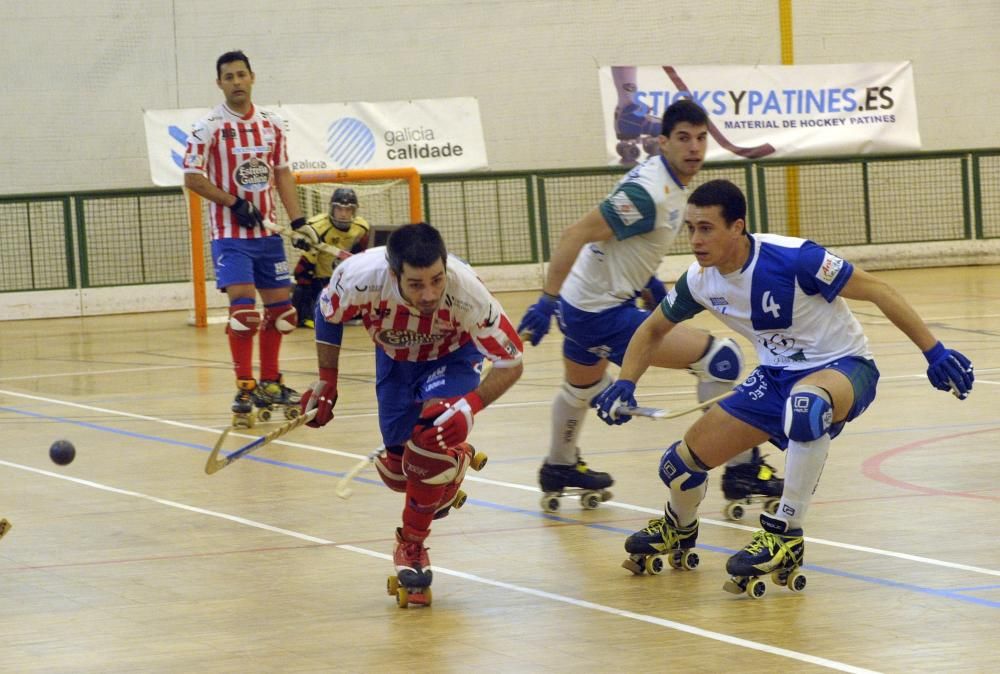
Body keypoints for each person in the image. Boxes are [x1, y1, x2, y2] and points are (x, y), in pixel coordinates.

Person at [594, 179, 975, 595]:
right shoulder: (699, 280)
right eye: (690, 228)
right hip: (775, 378)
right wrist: (625, 382)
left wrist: (933, 351)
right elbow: (651, 331)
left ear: (737, 227)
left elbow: (879, 291)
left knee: (806, 407)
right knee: (679, 466)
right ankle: (678, 528)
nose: (695, 240)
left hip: (844, 367)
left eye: (706, 228)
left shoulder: (795, 259)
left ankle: (784, 534)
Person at [517, 99, 775, 511]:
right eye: (683, 138)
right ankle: (743, 469)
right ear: (663, 142)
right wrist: (545, 299)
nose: (694, 148)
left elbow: (623, 242)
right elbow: (574, 235)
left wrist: (647, 281)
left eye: (701, 138)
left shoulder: (666, 183)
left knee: (580, 386)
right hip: (600, 312)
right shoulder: (648, 193)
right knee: (721, 359)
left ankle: (559, 465)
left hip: (583, 307)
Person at [299, 222, 524, 606]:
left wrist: (469, 408)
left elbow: (512, 360)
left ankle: (413, 547)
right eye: (416, 285)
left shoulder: (467, 291)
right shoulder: (358, 279)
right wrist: (326, 381)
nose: (430, 294)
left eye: (437, 280)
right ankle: (454, 464)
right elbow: (327, 315)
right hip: (396, 361)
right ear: (393, 274)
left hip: (455, 357)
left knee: (428, 439)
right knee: (398, 473)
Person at [183, 50, 315, 425]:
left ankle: (271, 382)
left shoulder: (272, 125)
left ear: (252, 77)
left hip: (268, 234)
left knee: (283, 314)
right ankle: (245, 384)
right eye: (229, 77)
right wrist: (233, 203)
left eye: (242, 75)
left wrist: (299, 220)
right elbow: (192, 178)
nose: (237, 82)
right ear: (219, 83)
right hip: (230, 236)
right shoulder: (207, 127)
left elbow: (283, 173)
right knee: (244, 314)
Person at [291, 187, 370, 328]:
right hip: (321, 281)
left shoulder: (361, 227)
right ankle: (303, 314)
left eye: (348, 210)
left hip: (345, 280)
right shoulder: (317, 227)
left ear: (354, 211)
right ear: (332, 209)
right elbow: (302, 263)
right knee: (302, 275)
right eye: (339, 209)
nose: (343, 214)